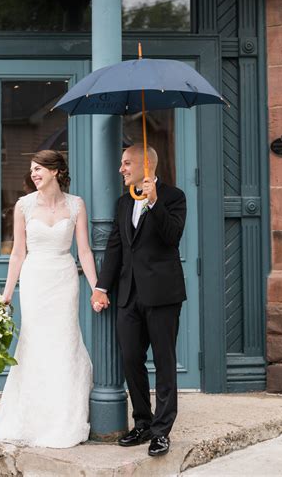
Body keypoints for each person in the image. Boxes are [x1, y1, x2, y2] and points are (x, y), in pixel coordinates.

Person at [0, 150, 97, 448]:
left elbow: (85, 251)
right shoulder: (23, 206)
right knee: (34, 342)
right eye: (32, 169)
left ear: (55, 172)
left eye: (39, 169)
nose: (34, 173)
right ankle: (31, 417)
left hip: (64, 278)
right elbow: (17, 253)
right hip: (35, 279)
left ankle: (63, 417)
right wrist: (8, 293)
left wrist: (96, 287)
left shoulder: (76, 205)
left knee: (64, 342)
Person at [91, 144, 187, 458]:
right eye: (121, 163)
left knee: (164, 362)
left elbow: (172, 236)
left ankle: (161, 432)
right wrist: (102, 287)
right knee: (131, 359)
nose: (121, 168)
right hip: (129, 295)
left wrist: (155, 202)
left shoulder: (174, 197)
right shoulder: (123, 203)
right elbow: (116, 248)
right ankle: (143, 423)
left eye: (127, 163)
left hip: (162, 294)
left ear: (146, 164)